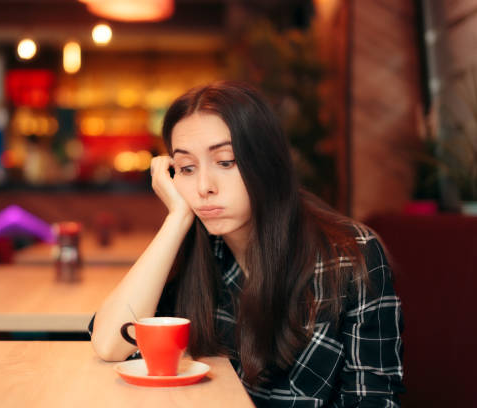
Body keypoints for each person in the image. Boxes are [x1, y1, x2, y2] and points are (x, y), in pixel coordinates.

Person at [90, 81, 404, 407]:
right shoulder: (194, 251)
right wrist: (177, 219)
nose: (203, 186)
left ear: (266, 162)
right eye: (186, 168)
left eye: (226, 162)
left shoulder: (351, 256)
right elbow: (110, 345)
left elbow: (372, 399)